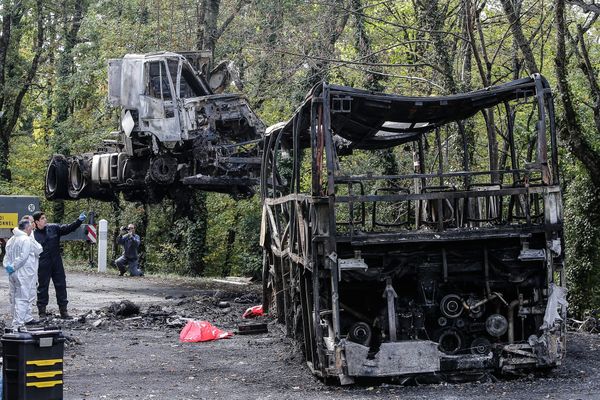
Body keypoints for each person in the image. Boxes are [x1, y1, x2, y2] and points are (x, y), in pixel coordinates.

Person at [33, 210, 86, 319]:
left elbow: (68, 228)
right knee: (43, 287)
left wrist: (78, 221)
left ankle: (64, 311)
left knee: (61, 285)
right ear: (37, 222)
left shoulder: (53, 228)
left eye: (45, 217)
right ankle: (42, 313)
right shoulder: (33, 235)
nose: (45, 220)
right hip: (43, 264)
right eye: (42, 218)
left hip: (56, 262)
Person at [3, 218, 43, 329]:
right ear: (27, 228)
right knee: (22, 298)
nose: (32, 229)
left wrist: (8, 267)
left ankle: (16, 322)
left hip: (13, 273)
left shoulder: (11, 239)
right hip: (23, 273)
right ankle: (18, 325)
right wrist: (15, 266)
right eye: (31, 227)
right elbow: (23, 257)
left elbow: (6, 256)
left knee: (14, 297)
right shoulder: (26, 239)